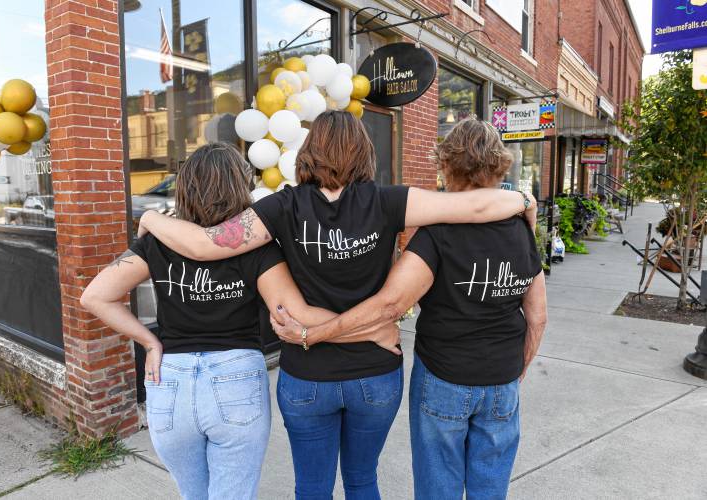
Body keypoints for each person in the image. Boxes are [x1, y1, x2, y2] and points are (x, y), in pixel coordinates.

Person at [136, 111, 538, 499]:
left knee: (312, 489)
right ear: (364, 152)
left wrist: (153, 220)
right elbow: (478, 207)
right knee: (363, 482)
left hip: (307, 375)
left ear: (309, 152)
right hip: (375, 372)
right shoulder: (387, 201)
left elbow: (208, 244)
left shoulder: (282, 207)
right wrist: (522, 199)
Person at [272, 118, 548, 500]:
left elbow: (390, 305)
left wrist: (312, 334)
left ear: (447, 165)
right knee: (488, 487)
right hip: (500, 380)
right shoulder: (521, 230)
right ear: (499, 166)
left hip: (445, 377)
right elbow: (538, 316)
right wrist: (517, 371)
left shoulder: (437, 233)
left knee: (437, 487)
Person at [80, 143, 347, 500]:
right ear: (240, 186)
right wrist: (368, 323)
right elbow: (294, 312)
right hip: (237, 378)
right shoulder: (257, 247)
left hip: (169, 380)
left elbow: (95, 296)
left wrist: (149, 342)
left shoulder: (158, 243)